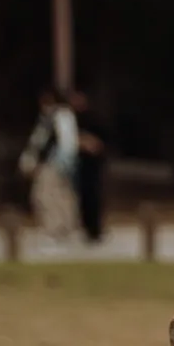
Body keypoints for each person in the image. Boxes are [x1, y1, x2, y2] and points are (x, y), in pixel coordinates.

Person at [18, 89, 78, 240]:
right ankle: (60, 228)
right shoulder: (52, 118)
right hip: (52, 164)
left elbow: (66, 144)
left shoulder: (60, 117)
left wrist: (62, 164)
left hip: (54, 165)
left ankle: (57, 229)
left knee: (48, 196)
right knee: (54, 196)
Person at [71, 90, 107, 244]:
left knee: (94, 197)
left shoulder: (94, 119)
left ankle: (95, 230)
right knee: (80, 198)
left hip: (93, 166)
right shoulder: (71, 120)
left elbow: (102, 142)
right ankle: (84, 227)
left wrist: (93, 144)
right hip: (77, 165)